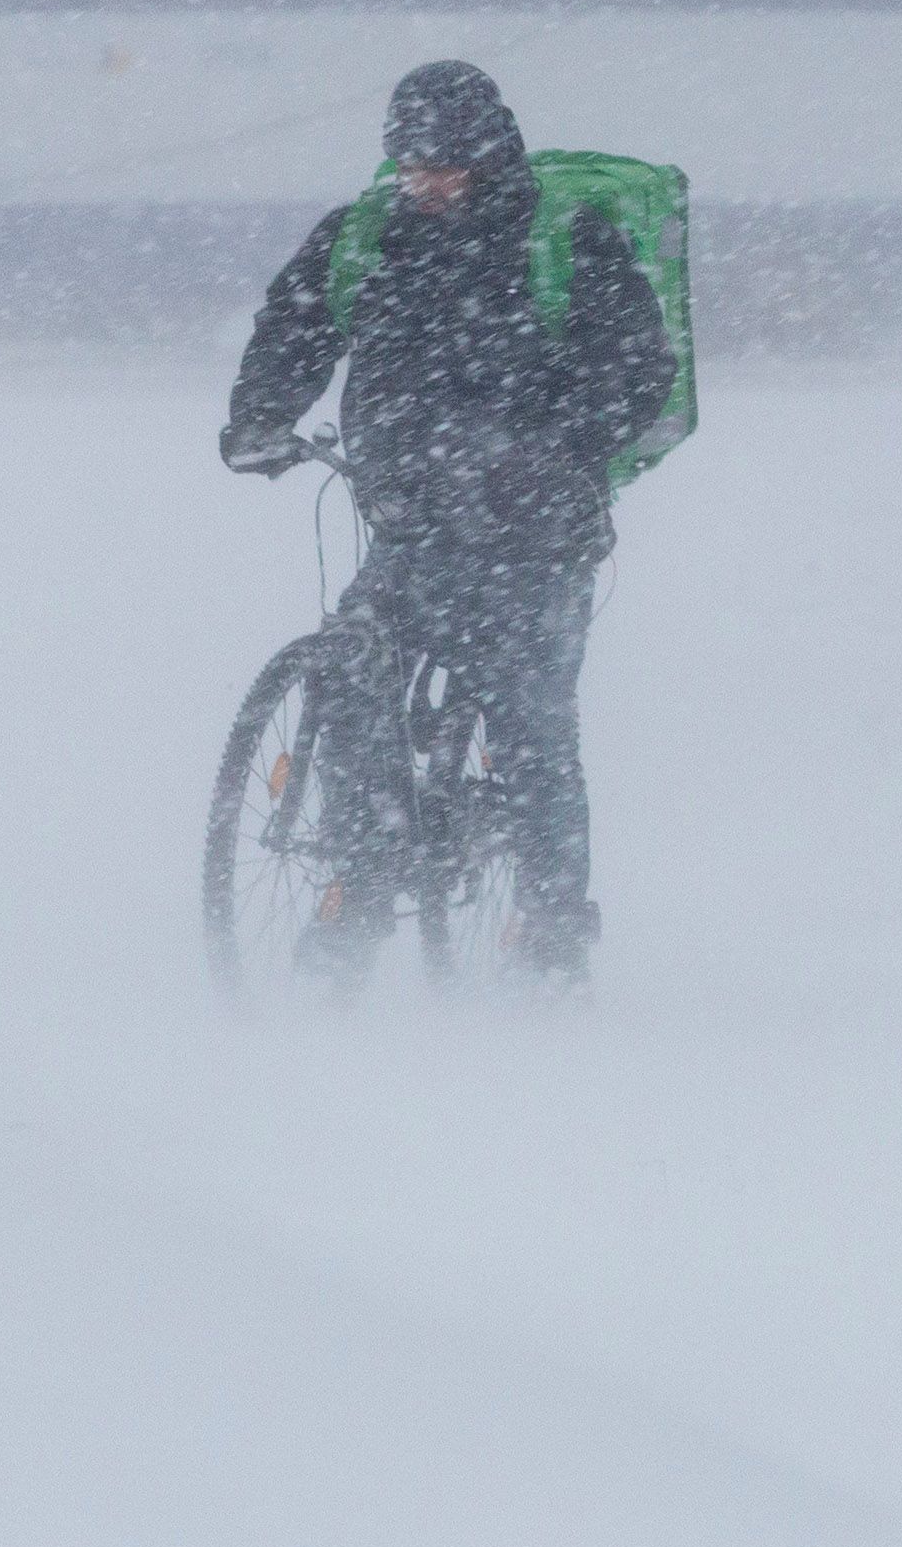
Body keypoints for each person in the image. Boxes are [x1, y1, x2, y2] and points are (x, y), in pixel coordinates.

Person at [221, 61, 676, 982]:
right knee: (354, 667)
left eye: (446, 168)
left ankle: (552, 937)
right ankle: (360, 881)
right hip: (412, 518)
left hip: (533, 538)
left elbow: (635, 368)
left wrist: (548, 449)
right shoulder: (366, 239)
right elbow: (294, 323)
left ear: (489, 156)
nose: (425, 185)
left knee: (531, 722)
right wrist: (258, 418)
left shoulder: (563, 238)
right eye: (411, 167)